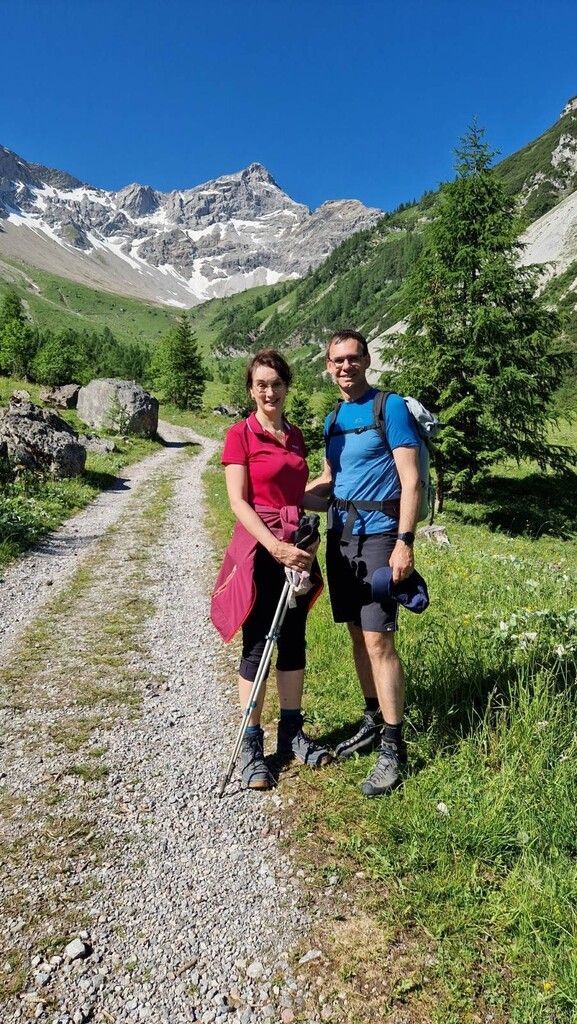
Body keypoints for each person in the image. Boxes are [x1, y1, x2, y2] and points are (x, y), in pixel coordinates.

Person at [305, 330, 421, 797]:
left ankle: (394, 747)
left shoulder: (388, 408)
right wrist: (278, 495)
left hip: (379, 538)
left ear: (367, 360)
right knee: (357, 634)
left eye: (353, 358)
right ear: (328, 366)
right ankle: (372, 720)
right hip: (341, 540)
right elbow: (330, 479)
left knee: (378, 640)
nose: (345, 366)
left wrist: (404, 542)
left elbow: (410, 480)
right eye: (337, 360)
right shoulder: (333, 418)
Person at [212, 349, 331, 791]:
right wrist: (275, 547)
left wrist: (338, 499)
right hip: (262, 548)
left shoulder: (295, 436)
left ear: (286, 388)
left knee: (294, 639)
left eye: (276, 384)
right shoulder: (239, 435)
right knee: (259, 642)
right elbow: (238, 501)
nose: (269, 392)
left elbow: (297, 495)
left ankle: (291, 732)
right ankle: (251, 745)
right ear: (251, 390)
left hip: (297, 545)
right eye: (261, 384)